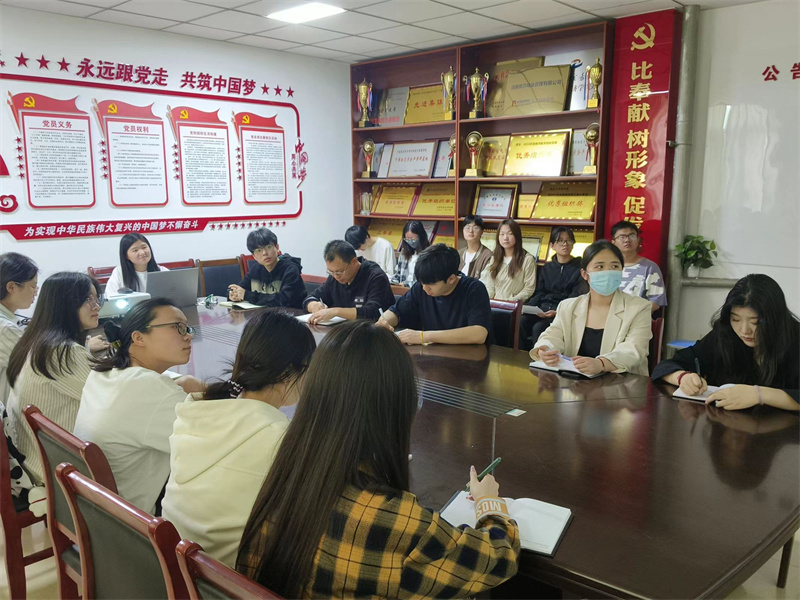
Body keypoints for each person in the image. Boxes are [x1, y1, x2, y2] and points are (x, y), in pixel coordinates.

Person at [236, 321, 519, 598]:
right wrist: (488, 503)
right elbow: (498, 559)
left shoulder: (283, 476)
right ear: (398, 407)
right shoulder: (393, 520)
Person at [162, 310, 315, 567]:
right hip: (227, 579)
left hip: (171, 562)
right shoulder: (282, 440)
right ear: (289, 373)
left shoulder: (195, 410)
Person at [73, 299, 204, 513]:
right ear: (139, 337)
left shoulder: (103, 374)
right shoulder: (152, 390)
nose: (188, 335)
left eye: (187, 328)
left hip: (96, 510)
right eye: (177, 327)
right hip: (134, 521)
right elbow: (210, 446)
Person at [652, 274, 799, 411]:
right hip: (727, 425)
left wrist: (759, 395)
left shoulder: (795, 339)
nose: (744, 331)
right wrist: (682, 378)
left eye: (755, 322)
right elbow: (666, 366)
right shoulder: (725, 334)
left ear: (775, 319)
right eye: (736, 319)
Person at [6, 272, 102, 482]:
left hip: (35, 461)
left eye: (97, 299)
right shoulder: (62, 352)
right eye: (88, 299)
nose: (96, 306)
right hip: (59, 473)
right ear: (65, 304)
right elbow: (108, 402)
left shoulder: (35, 343)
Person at [530, 241, 652, 377]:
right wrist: (545, 349)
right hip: (574, 384)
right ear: (584, 274)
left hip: (622, 384)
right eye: (600, 266)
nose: (608, 272)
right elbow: (553, 335)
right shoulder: (568, 306)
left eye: (615, 266)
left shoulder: (639, 308)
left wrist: (601, 364)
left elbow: (634, 350)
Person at [377, 244, 492, 345]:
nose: (425, 288)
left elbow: (479, 334)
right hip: (433, 355)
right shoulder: (421, 287)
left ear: (451, 279)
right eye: (422, 283)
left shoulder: (474, 289)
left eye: (431, 284)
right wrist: (383, 322)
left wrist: (424, 336)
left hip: (471, 357)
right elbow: (397, 311)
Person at [522, 226, 586, 350]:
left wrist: (557, 311)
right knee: (521, 321)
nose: (565, 244)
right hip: (543, 309)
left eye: (569, 240)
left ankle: (539, 359)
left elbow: (577, 296)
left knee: (539, 328)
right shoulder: (547, 268)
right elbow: (539, 292)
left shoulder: (579, 268)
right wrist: (530, 308)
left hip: (563, 311)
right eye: (560, 241)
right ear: (552, 245)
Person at [304, 240, 395, 324]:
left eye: (340, 271)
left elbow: (373, 313)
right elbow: (310, 298)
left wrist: (336, 312)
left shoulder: (376, 276)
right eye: (331, 272)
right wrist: (313, 305)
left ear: (354, 261)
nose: (336, 276)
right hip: (341, 330)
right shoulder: (334, 277)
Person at [228, 228, 306, 308]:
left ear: (277, 248)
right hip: (264, 314)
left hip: (292, 314)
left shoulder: (290, 270)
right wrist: (233, 294)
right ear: (254, 256)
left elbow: (284, 300)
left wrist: (247, 295)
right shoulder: (256, 269)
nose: (265, 253)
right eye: (258, 250)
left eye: (268, 247)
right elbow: (240, 289)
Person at [0, 253, 38, 405]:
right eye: (33, 286)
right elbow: (38, 365)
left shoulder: (10, 320)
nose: (36, 291)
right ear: (11, 287)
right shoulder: (5, 329)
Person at [610, 220, 667, 313]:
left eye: (632, 236)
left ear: (638, 240)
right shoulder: (608, 267)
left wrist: (630, 313)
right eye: (622, 237)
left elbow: (656, 302)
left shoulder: (650, 268)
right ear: (613, 242)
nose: (627, 240)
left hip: (637, 317)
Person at [479, 218, 537, 302]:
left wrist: (510, 302)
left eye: (510, 234)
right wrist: (489, 300)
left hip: (513, 305)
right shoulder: (495, 258)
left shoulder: (527, 260)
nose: (505, 238)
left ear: (517, 236)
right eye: (502, 234)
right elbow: (490, 285)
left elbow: (529, 288)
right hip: (493, 305)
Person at [392, 220, 430, 287]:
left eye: (413, 239)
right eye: (407, 239)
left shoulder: (428, 254)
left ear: (421, 237)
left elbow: (425, 280)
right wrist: (392, 281)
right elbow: (398, 274)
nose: (410, 242)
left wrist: (406, 285)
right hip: (402, 289)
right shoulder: (404, 252)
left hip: (419, 290)